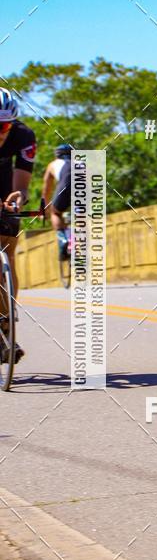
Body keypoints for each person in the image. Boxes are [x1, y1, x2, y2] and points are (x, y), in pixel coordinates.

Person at [0, 87, 36, 363]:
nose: (1, 132)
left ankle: (7, 326)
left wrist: (17, 199)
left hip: (5, 183)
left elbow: (22, 185)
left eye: (5, 126)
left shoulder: (24, 136)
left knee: (8, 254)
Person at [43, 143, 72, 256]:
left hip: (65, 187)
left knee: (55, 213)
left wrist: (45, 208)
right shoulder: (82, 163)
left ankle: (63, 239)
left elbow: (47, 189)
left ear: (56, 155)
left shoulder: (52, 164)